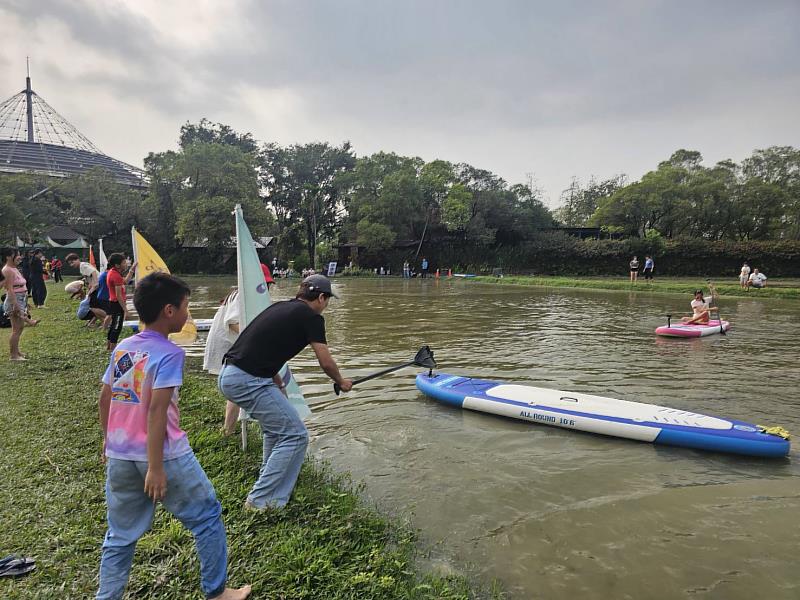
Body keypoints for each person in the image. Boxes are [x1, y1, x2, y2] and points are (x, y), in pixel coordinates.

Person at [96, 272, 251, 600]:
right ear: (169, 311)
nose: (188, 315)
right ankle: (218, 592)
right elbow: (155, 410)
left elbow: (105, 398)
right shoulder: (169, 354)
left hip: (120, 454)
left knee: (120, 535)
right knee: (207, 515)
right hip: (164, 454)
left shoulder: (124, 348)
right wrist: (155, 467)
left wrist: (108, 443)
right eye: (186, 308)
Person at [218, 274, 353, 510]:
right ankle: (260, 501)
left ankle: (269, 481)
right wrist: (341, 381)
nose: (326, 305)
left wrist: (279, 385)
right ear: (321, 297)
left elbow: (263, 348)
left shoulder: (280, 307)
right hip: (248, 380)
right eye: (327, 300)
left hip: (231, 375)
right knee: (296, 435)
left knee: (275, 431)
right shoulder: (311, 317)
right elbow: (326, 361)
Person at [203, 289, 241, 436]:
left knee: (236, 388)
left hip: (229, 344)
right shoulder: (240, 295)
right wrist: (255, 334)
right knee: (236, 387)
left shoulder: (238, 293)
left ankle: (230, 427)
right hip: (227, 345)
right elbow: (232, 322)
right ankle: (228, 430)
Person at [2, 247, 39, 361]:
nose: (20, 257)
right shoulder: (7, 270)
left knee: (20, 327)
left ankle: (17, 352)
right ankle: (13, 356)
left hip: (20, 299)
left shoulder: (14, 268)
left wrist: (24, 302)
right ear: (8, 257)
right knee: (16, 329)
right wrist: (16, 306)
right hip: (14, 301)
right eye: (17, 255)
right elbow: (10, 290)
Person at [66, 253, 107, 324]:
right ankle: (102, 322)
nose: (71, 265)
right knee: (95, 306)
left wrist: (95, 283)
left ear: (78, 259)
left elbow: (93, 272)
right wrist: (88, 282)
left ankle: (108, 320)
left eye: (72, 262)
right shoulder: (82, 266)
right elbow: (89, 275)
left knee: (93, 307)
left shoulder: (83, 266)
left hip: (97, 286)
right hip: (97, 286)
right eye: (70, 264)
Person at [105, 253, 129, 351]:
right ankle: (112, 349)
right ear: (117, 265)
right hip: (117, 304)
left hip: (113, 302)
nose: (126, 264)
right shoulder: (116, 276)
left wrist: (132, 270)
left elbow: (125, 281)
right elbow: (119, 295)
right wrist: (125, 309)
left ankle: (108, 346)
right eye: (124, 262)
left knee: (113, 325)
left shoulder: (112, 272)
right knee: (117, 327)